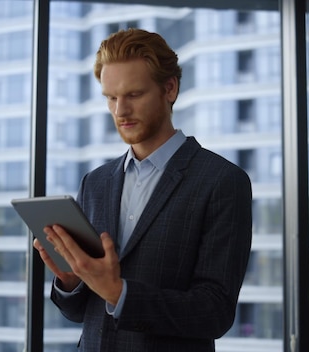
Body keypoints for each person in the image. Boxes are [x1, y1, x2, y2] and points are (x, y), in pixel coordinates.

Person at [34, 28, 252, 352]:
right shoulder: (95, 182)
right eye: (111, 97)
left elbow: (214, 312)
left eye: (133, 95)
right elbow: (81, 312)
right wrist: (71, 280)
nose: (120, 111)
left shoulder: (222, 181)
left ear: (170, 88)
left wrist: (119, 293)